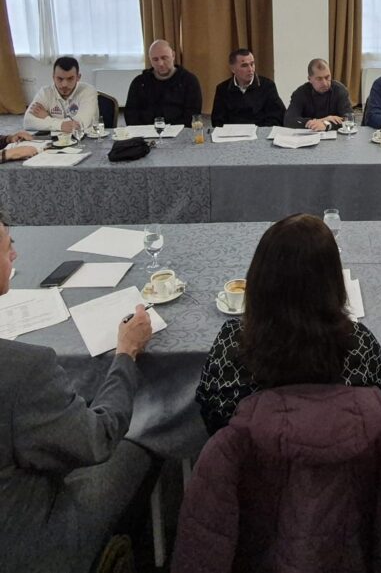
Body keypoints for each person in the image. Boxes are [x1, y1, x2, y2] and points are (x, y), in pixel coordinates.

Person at [0, 211, 156, 573]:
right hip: (27, 544)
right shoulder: (23, 368)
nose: (15, 254)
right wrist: (126, 354)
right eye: (8, 247)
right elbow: (98, 438)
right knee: (140, 443)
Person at [195, 213, 381, 435]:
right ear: (333, 283)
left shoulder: (230, 347)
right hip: (347, 454)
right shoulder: (360, 346)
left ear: (259, 279)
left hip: (253, 456)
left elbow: (213, 421)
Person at [124, 39, 203, 126]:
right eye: (155, 59)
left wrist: (169, 129)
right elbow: (130, 114)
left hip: (179, 130)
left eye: (164, 58)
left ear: (173, 55)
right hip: (145, 131)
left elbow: (193, 114)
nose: (160, 63)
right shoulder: (139, 83)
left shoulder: (189, 81)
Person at [210, 48, 284, 128]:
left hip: (260, 131)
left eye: (252, 64)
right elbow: (217, 120)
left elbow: (276, 116)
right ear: (233, 69)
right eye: (244, 65)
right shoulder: (223, 89)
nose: (250, 69)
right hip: (232, 133)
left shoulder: (267, 86)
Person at [23, 57, 99, 133]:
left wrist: (47, 118)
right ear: (53, 77)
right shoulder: (45, 92)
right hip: (53, 139)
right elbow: (28, 121)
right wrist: (61, 125)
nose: (64, 85)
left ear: (78, 77)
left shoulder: (88, 91)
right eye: (60, 79)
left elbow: (79, 125)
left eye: (70, 79)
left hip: (85, 139)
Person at [282, 58, 354, 132]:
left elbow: (349, 119)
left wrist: (326, 125)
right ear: (309, 79)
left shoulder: (339, 90)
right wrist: (322, 120)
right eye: (319, 79)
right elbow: (289, 121)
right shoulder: (300, 93)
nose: (325, 83)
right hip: (309, 135)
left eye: (327, 77)